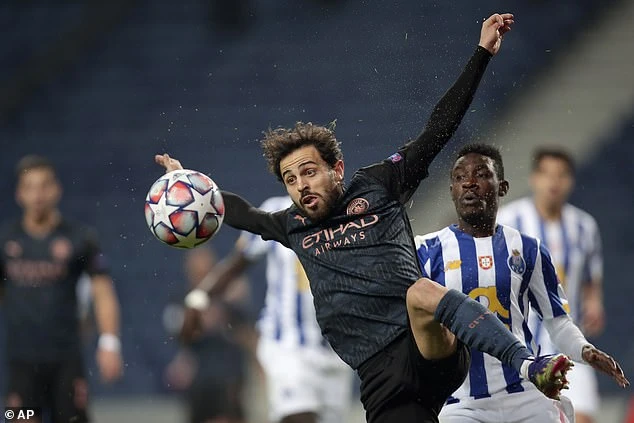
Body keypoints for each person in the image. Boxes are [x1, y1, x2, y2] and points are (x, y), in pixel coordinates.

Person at [155, 13, 577, 423]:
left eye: (309, 171)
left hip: (424, 344)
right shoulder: (291, 225)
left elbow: (438, 130)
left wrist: (481, 53)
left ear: (336, 169)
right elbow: (239, 212)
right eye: (290, 179)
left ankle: (526, 363)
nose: (301, 185)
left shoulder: (377, 185)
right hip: (381, 375)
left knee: (420, 293)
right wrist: (189, 185)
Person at [414, 143, 628, 423]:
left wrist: (584, 350)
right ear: (452, 190)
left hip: (525, 393)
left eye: (481, 174)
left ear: (502, 187)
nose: (469, 183)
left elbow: (557, 321)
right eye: (459, 177)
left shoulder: (529, 249)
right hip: (461, 401)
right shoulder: (426, 251)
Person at [181, 195, 354, 423]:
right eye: (290, 177)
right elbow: (237, 263)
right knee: (299, 417)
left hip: (336, 352)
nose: (302, 182)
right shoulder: (275, 211)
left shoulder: (350, 214)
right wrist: (200, 298)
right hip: (288, 345)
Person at [0, 155, 123, 423]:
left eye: (44, 186)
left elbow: (102, 291)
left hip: (66, 362)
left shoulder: (80, 238)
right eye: (30, 187)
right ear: (19, 194)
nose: (38, 195)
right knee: (20, 419)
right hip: (21, 364)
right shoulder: (5, 240)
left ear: (56, 189)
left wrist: (109, 343)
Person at [497, 147, 605, 423]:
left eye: (561, 175)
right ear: (534, 178)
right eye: (547, 174)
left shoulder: (584, 227)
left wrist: (594, 303)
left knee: (582, 417)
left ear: (570, 180)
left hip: (570, 348)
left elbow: (591, 280)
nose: (553, 182)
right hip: (524, 351)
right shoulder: (509, 222)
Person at [165, 246, 253, 423]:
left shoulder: (229, 300)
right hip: (200, 381)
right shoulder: (181, 301)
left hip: (229, 376)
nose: (201, 277)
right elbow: (180, 335)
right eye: (197, 272)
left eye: (206, 272)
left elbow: (247, 334)